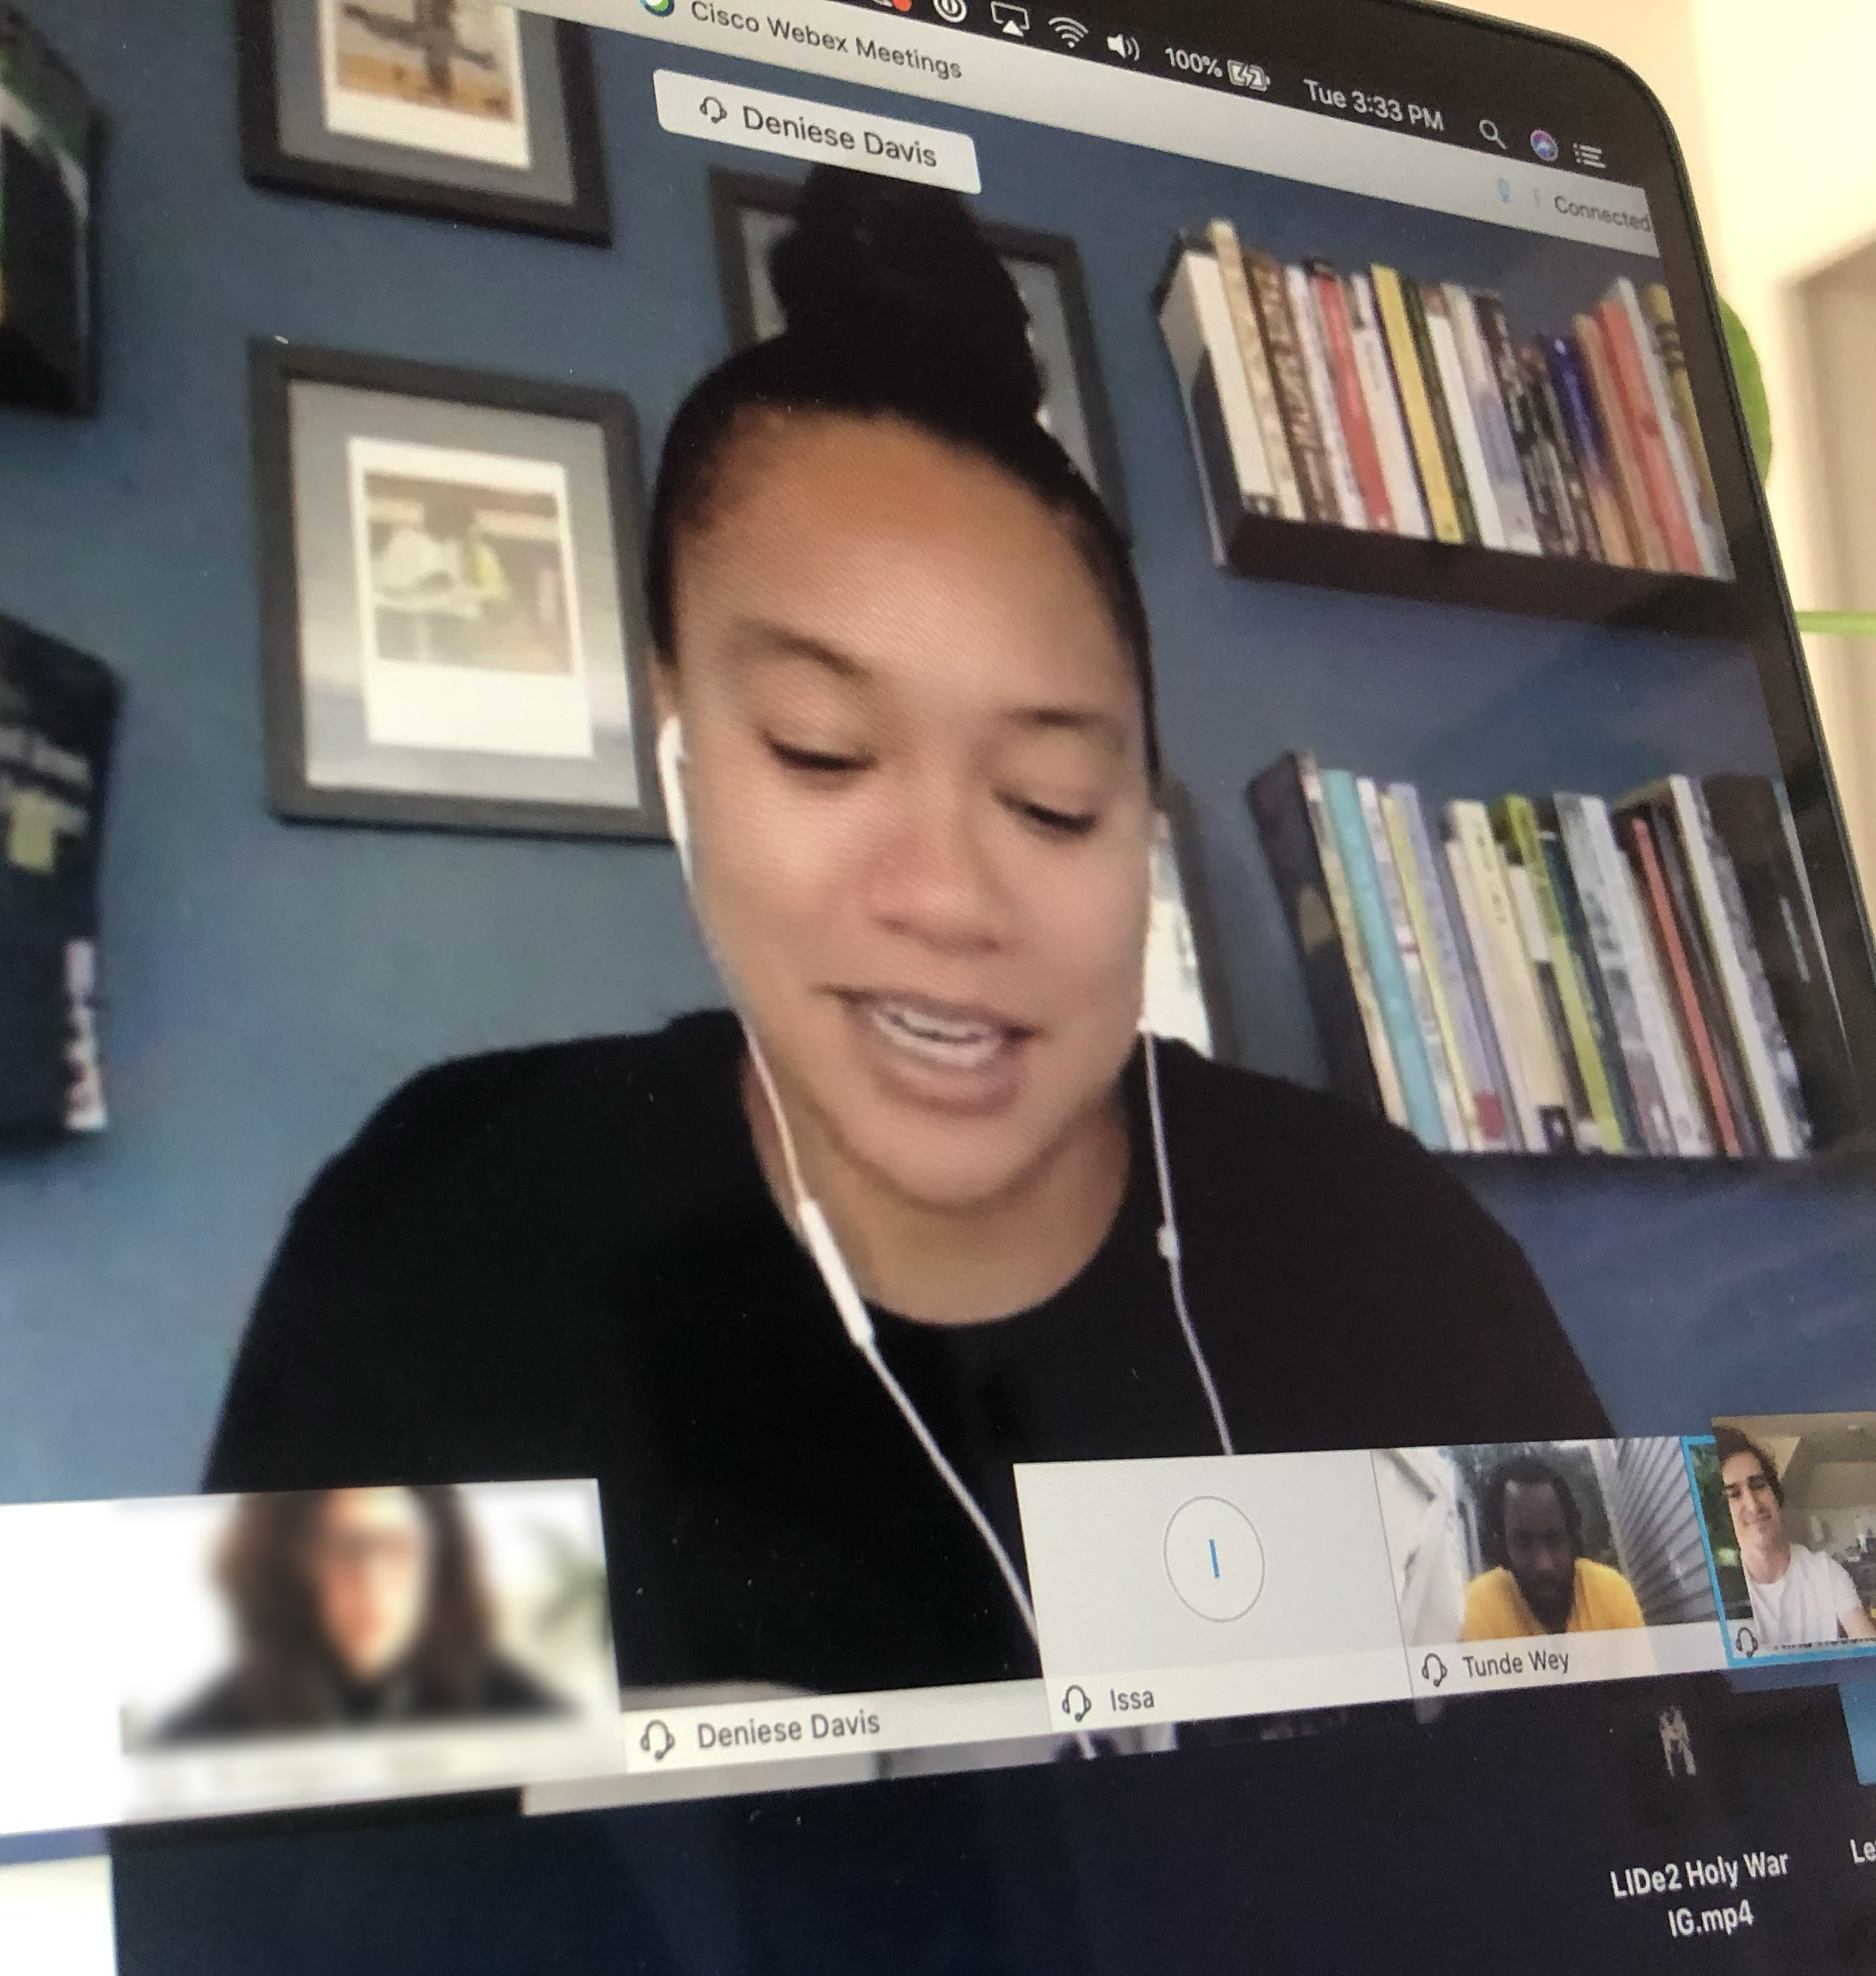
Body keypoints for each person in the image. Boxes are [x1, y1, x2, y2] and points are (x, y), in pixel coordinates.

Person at [206, 168, 1610, 1699]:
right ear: (677, 744)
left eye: (1051, 802)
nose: (947, 896)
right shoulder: (465, 1239)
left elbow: (1645, 1771)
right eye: (820, 750)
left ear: (1141, 810)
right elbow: (311, 1830)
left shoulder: (1382, 1252)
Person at [152, 1485, 562, 1742]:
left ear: (439, 1566)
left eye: (398, 1549)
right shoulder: (199, 1737)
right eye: (344, 1549)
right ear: (293, 1567)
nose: (372, 1585)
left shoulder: (523, 1713)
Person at [1715, 1426, 1876, 1650]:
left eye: (1759, 1486)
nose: (1753, 1505)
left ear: (1775, 1493)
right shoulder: (1717, 1590)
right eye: (1733, 1494)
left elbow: (1868, 1648)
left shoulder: (1825, 1572)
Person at [1457, 1454, 1645, 1639]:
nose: (1544, 1565)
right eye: (1524, 1542)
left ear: (1573, 1539)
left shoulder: (1611, 1592)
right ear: (1501, 1547)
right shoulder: (1477, 1607)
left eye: (1554, 1539)